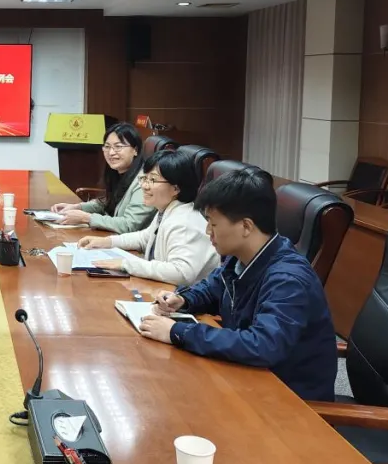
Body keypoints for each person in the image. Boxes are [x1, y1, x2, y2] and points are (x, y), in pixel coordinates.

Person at [138, 168, 337, 401]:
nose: (207, 232)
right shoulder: (241, 258)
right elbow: (213, 288)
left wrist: (177, 332)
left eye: (213, 224)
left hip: (290, 400)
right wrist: (183, 299)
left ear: (246, 227)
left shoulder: (288, 279)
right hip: (248, 378)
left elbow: (264, 345)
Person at [78, 149, 218, 285]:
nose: (144, 186)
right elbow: (144, 238)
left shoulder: (184, 222)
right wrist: (106, 242)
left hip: (184, 297)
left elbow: (181, 273)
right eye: (144, 178)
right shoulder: (168, 209)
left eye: (153, 180)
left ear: (176, 188)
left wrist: (126, 264)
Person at [50, 122, 155, 232]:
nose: (111, 152)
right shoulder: (118, 172)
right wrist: (78, 207)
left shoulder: (144, 182)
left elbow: (129, 225)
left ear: (135, 150)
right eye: (107, 146)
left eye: (118, 147)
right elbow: (107, 202)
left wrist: (86, 218)